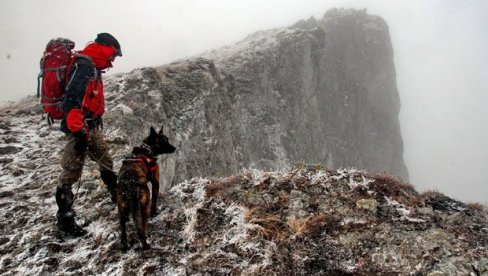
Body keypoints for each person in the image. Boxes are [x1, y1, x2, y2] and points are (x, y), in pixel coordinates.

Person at [55, 33, 122, 237]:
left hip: (90, 127)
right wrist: (79, 132)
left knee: (105, 160)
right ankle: (65, 220)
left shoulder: (93, 67)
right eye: (113, 55)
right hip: (79, 130)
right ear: (105, 48)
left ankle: (117, 196)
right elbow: (71, 102)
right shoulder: (84, 66)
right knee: (71, 173)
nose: (113, 60)